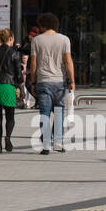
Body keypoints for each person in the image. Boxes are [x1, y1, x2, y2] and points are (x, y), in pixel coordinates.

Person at [28, 12, 75, 154]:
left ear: (42, 25)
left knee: (45, 113)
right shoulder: (64, 39)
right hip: (59, 82)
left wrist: (33, 81)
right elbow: (68, 61)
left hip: (43, 81)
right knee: (59, 113)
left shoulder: (37, 40)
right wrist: (72, 80)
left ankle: (46, 145)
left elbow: (34, 63)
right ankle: (59, 144)